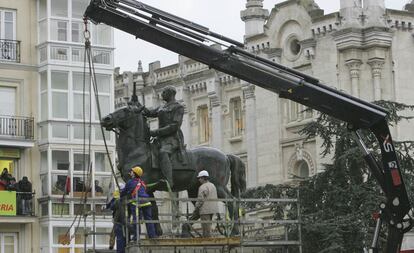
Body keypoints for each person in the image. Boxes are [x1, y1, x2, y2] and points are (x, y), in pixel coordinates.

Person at [143, 86, 184, 189]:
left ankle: (168, 180)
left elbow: (174, 126)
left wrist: (156, 132)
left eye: (164, 92)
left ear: (171, 93)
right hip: (161, 139)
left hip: (172, 139)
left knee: (163, 153)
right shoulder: (162, 107)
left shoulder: (178, 107)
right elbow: (149, 113)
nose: (162, 94)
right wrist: (139, 107)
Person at [121, 166, 156, 240]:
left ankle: (136, 236)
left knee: (136, 220)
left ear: (134, 174)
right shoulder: (142, 182)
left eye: (132, 172)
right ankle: (152, 235)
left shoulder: (130, 182)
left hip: (137, 203)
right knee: (148, 219)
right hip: (146, 202)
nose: (130, 173)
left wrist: (120, 195)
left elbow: (124, 192)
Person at [190, 170, 219, 237]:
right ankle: (209, 243)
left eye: (199, 178)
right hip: (212, 210)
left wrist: (196, 207)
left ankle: (207, 244)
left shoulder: (203, 187)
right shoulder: (212, 185)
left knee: (206, 229)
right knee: (209, 226)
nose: (199, 180)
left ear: (203, 178)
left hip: (205, 210)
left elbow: (200, 200)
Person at [108, 182, 126, 253]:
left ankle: (112, 245)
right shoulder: (122, 195)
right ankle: (112, 245)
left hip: (119, 219)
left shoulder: (119, 197)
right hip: (120, 218)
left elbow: (111, 206)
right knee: (116, 233)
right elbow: (111, 206)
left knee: (117, 234)